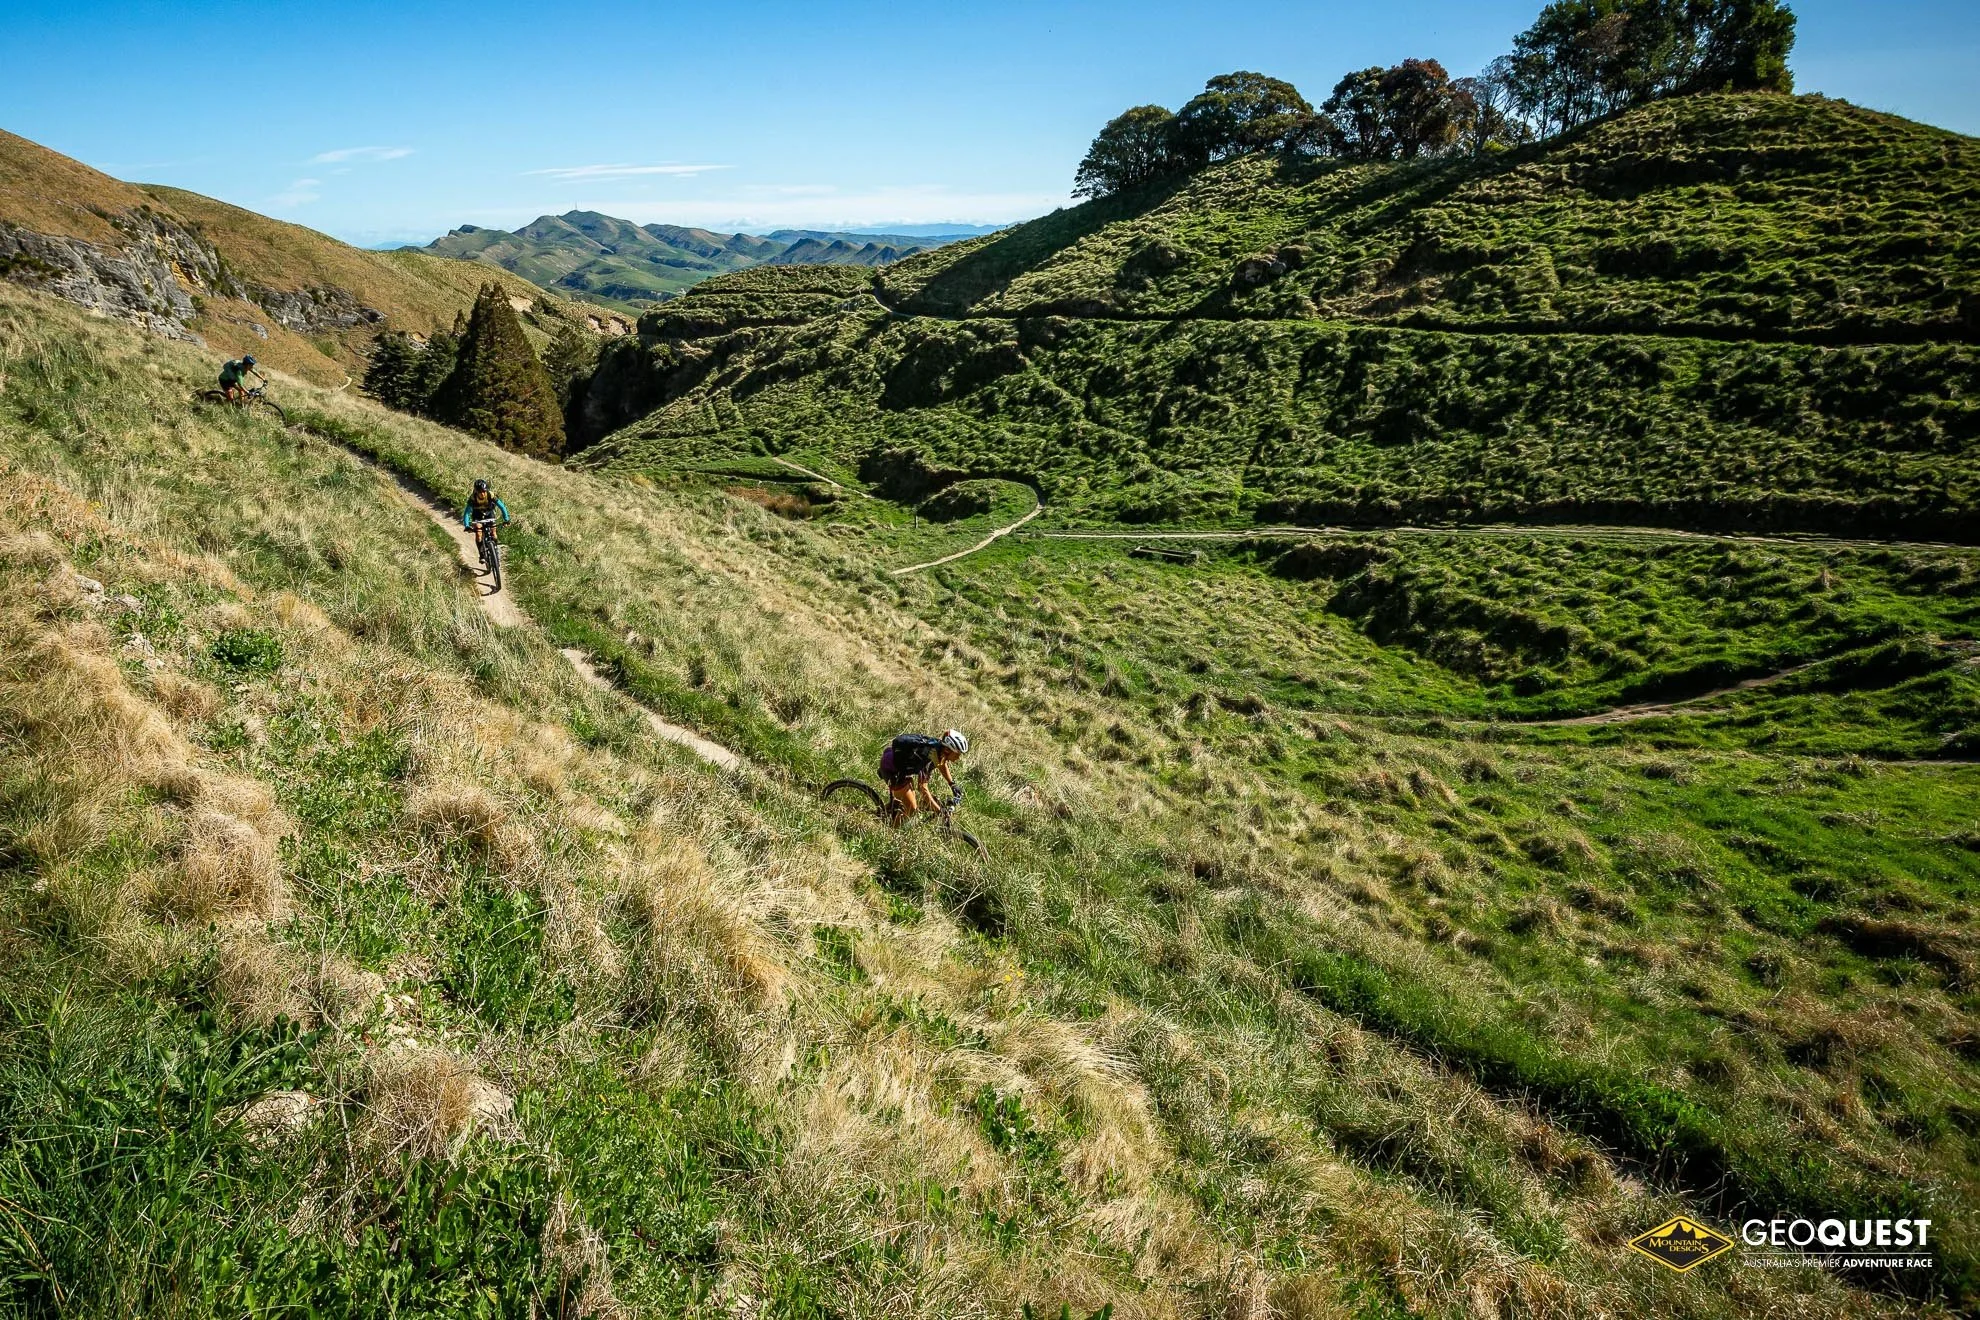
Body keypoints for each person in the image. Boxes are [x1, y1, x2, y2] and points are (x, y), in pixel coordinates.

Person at [879, 728, 968, 820]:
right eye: (957, 754)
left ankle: (886, 813)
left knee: (916, 803)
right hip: (891, 769)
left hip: (900, 766)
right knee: (911, 808)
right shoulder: (927, 756)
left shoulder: (938, 749)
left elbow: (941, 764)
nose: (958, 758)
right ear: (947, 750)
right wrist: (939, 811)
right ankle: (892, 831)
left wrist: (952, 784)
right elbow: (922, 788)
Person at [462, 477, 510, 550]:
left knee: (494, 533)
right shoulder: (473, 498)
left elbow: (502, 506)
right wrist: (467, 525)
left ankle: (495, 550)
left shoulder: (490, 495)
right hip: (477, 516)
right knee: (478, 534)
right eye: (480, 492)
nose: (483, 493)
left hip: (489, 514)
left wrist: (506, 519)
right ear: (476, 491)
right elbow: (467, 513)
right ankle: (481, 555)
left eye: (484, 491)